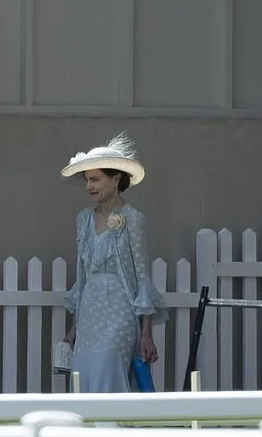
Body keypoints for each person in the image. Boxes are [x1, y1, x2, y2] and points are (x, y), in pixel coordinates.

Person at [60, 133, 168, 393]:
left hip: (121, 309)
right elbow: (81, 275)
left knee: (108, 364)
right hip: (89, 312)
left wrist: (146, 334)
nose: (89, 186)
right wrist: (72, 331)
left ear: (116, 178)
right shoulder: (83, 219)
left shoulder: (133, 219)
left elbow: (143, 277)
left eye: (95, 179)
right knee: (83, 370)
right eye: (87, 180)